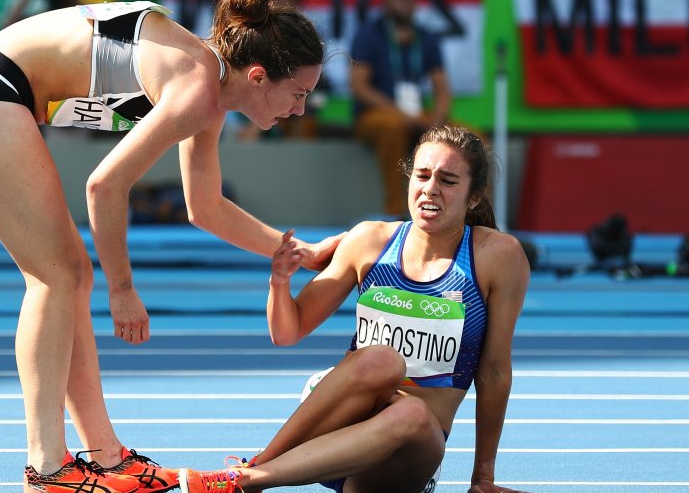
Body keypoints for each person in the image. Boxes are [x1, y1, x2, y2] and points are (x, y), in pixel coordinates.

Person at [0, 0, 341, 493]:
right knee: (56, 276)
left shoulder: (210, 86)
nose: (300, 109)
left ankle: (106, 457)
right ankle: (46, 467)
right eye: (298, 93)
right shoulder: (195, 87)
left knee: (69, 275)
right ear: (258, 77)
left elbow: (205, 207)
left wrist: (298, 251)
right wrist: (122, 289)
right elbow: (104, 186)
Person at [177, 124, 531, 493]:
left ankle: (253, 478)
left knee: (410, 413)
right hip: (341, 419)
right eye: (423, 175)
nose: (430, 189)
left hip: (410, 447)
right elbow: (287, 331)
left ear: (475, 197)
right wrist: (279, 282)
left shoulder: (497, 258)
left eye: (449, 180)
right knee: (380, 360)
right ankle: (250, 474)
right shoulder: (369, 240)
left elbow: (492, 372)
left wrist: (483, 479)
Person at [350, 0, 452, 218]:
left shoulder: (425, 37)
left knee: (468, 139)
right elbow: (359, 86)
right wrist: (401, 113)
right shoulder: (369, 34)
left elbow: (442, 88)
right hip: (377, 116)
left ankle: (473, 217)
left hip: (417, 114)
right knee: (393, 128)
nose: (406, 3)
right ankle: (397, 212)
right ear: (386, 1)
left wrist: (437, 119)